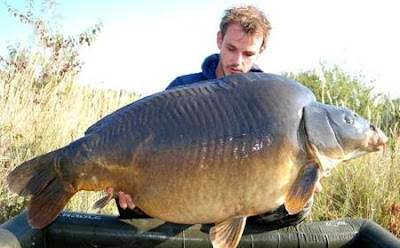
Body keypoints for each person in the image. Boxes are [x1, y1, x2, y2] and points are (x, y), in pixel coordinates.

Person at [109, 4, 316, 228]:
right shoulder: (183, 88)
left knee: (299, 206)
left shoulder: (271, 103)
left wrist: (303, 182)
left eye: (248, 54)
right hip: (183, 194)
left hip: (246, 200)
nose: (237, 61)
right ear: (219, 40)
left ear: (261, 50)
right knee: (129, 203)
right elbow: (146, 142)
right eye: (231, 49)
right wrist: (123, 182)